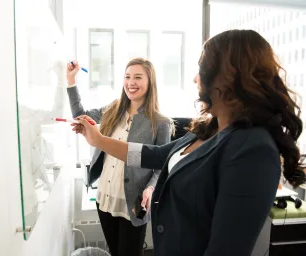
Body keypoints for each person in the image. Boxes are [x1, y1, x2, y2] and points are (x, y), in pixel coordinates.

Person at [71, 30, 306, 256]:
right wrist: (99, 140)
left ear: (229, 76)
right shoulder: (209, 128)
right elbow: (155, 155)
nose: (195, 78)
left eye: (201, 68)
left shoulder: (254, 149)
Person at [66, 58, 172, 256]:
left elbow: (161, 165)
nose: (131, 82)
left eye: (138, 77)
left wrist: (150, 188)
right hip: (105, 197)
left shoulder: (160, 122)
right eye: (127, 77)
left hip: (133, 202)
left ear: (150, 82)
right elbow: (80, 115)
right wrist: (71, 80)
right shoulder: (113, 109)